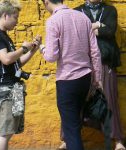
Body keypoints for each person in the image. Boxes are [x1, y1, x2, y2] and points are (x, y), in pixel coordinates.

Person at [58, 0, 126, 150]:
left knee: (110, 100)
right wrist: (97, 26)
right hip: (82, 64)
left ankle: (118, 140)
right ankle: (67, 138)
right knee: (74, 101)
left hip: (106, 62)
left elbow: (110, 31)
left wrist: (91, 28)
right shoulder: (75, 11)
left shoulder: (110, 10)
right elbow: (75, 35)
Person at [0, 0, 41, 150]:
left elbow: (16, 63)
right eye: (15, 17)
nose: (17, 21)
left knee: (6, 132)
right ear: (5, 16)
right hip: (2, 92)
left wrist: (32, 50)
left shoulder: (4, 36)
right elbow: (6, 59)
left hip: (9, 90)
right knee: (4, 133)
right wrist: (22, 49)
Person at [40, 0, 102, 149]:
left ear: (46, 2)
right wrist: (97, 79)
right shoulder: (83, 18)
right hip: (85, 78)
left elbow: (51, 56)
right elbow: (95, 52)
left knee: (71, 129)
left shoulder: (53, 21)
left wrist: (42, 48)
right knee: (75, 124)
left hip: (67, 80)